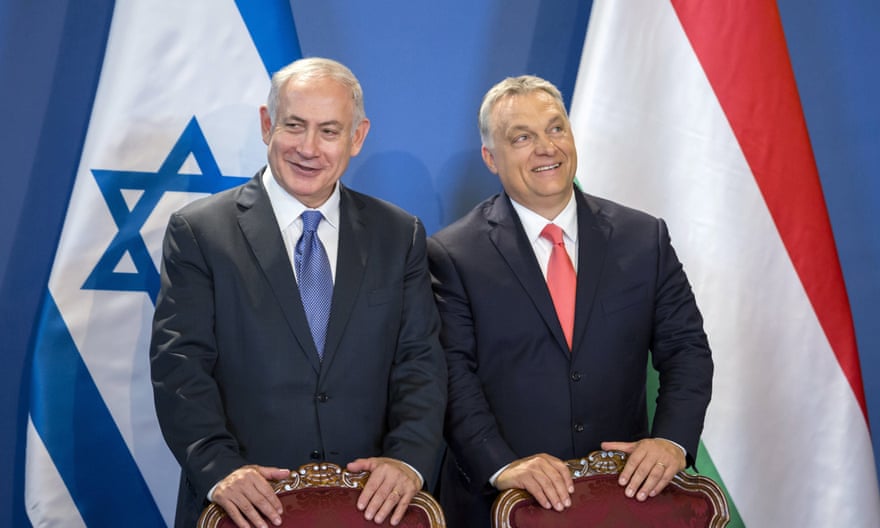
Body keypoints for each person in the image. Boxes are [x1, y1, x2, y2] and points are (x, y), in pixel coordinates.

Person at [150, 57, 446, 528]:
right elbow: (179, 368)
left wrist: (408, 459)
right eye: (294, 126)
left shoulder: (399, 234)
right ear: (267, 125)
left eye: (329, 131)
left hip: (370, 506)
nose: (309, 148)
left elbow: (420, 362)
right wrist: (218, 469)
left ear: (358, 137)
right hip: (245, 507)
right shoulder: (201, 232)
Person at [427, 75, 713, 526]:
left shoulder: (644, 238)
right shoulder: (452, 254)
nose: (546, 147)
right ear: (490, 158)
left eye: (555, 128)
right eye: (522, 137)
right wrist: (502, 465)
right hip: (500, 505)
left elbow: (688, 350)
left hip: (626, 496)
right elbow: (451, 376)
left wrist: (672, 441)